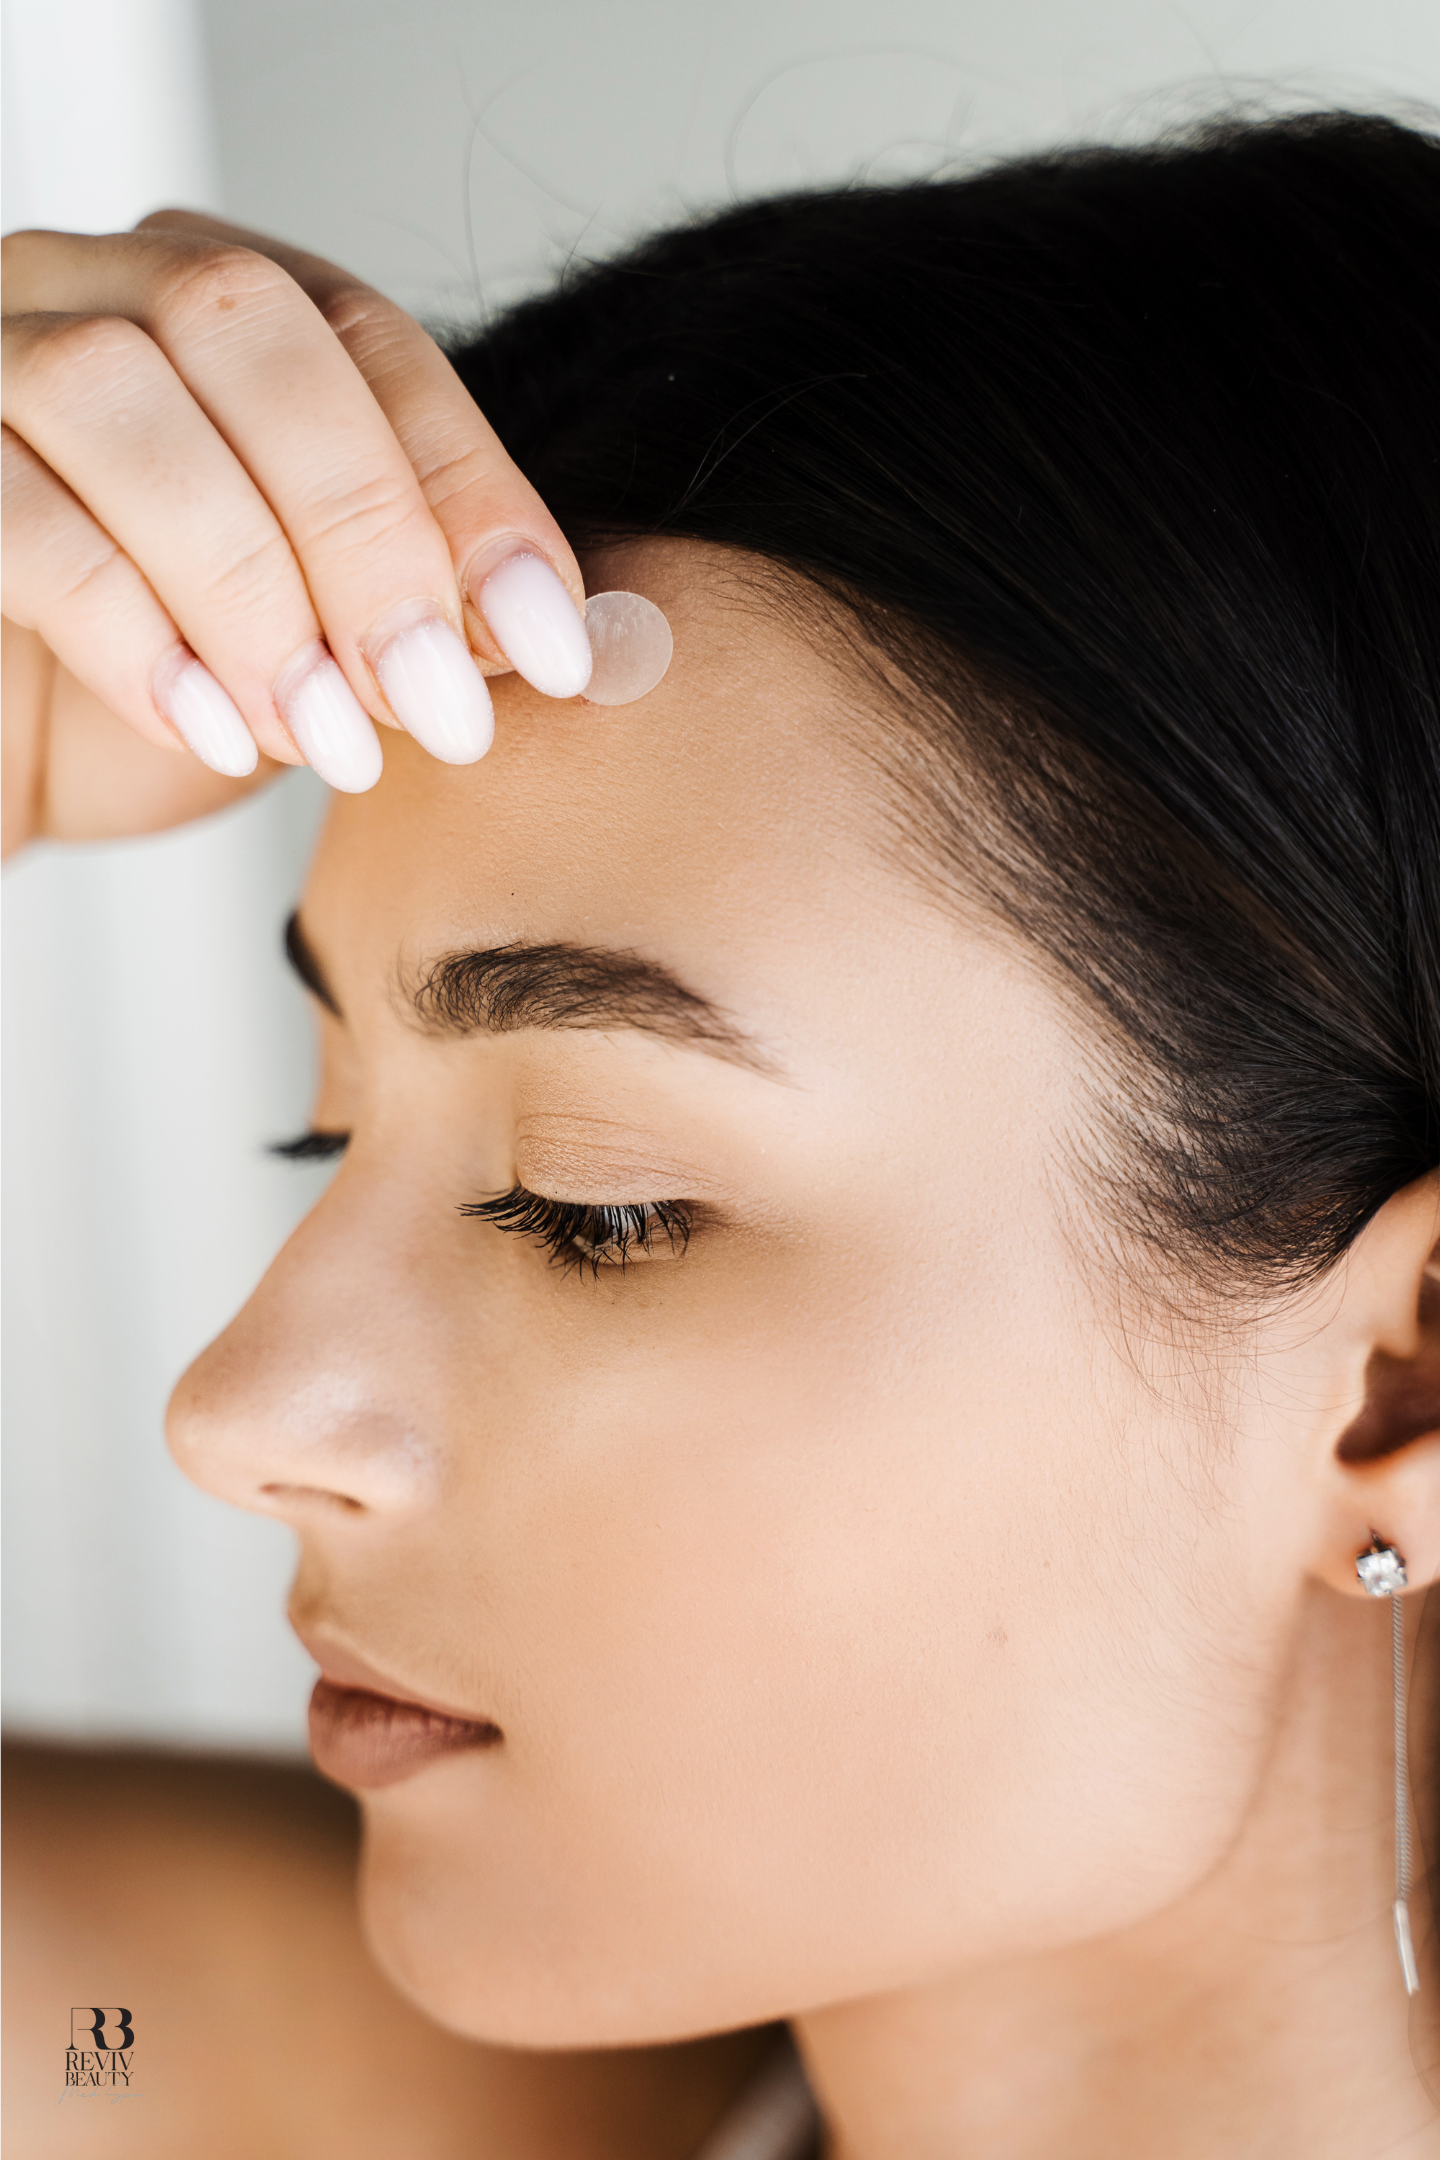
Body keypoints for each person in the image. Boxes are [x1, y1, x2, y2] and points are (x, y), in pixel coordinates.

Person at [3, 109, 1438, 2159]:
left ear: (1402, 1371)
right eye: (324, 1139)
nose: (238, 1411)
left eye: (591, 1204)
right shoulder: (191, 2074)